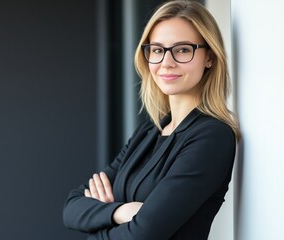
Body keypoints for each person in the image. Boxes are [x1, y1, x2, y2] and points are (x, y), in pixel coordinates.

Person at [63, 1, 240, 239]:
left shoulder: (212, 137)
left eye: (183, 49)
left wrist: (98, 220)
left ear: (209, 57)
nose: (167, 62)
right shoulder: (149, 132)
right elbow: (72, 207)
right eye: (157, 50)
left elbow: (143, 234)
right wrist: (120, 211)